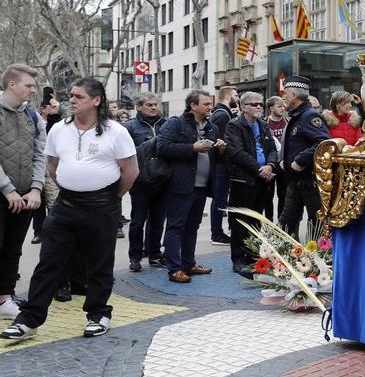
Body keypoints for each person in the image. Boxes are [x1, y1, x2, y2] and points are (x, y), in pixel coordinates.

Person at [1, 78, 138, 340]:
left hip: (101, 206)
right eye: (71, 96)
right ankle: (29, 319)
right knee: (49, 262)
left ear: (96, 101)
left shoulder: (116, 131)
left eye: (79, 96)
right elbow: (52, 165)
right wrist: (71, 183)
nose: (71, 100)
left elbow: (131, 171)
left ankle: (98, 314)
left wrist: (109, 197)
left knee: (99, 264)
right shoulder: (59, 129)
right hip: (65, 205)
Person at [157, 90, 221, 284]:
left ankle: (188, 263)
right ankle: (174, 269)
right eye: (206, 104)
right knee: (176, 226)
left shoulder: (211, 127)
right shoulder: (176, 123)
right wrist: (191, 148)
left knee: (193, 226)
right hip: (180, 185)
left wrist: (221, 148)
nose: (210, 107)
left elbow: (214, 157)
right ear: (193, 105)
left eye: (210, 104)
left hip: (201, 186)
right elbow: (162, 148)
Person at [0, 64, 46, 319]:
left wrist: (36, 188)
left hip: (25, 194)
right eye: (29, 85)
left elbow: (40, 153)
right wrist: (7, 190)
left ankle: (4, 297)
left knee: (13, 247)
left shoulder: (32, 115)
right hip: (5, 192)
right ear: (11, 85)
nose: (33, 89)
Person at [222, 92, 278, 276]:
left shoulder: (262, 124)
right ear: (244, 107)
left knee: (256, 220)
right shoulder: (234, 125)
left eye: (260, 104)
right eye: (254, 104)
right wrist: (259, 169)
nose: (258, 107)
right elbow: (237, 152)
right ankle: (238, 259)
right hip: (244, 180)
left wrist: (270, 166)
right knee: (240, 222)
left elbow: (271, 149)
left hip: (264, 179)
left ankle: (253, 256)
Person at [279, 77, 331, 239]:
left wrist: (299, 160)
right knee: (287, 222)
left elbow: (323, 142)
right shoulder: (298, 115)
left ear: (293, 94)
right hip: (296, 181)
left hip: (310, 182)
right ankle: (285, 259)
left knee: (317, 225)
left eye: (285, 94)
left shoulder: (309, 116)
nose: (284, 97)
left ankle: (318, 260)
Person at [124, 93, 165, 272]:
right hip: (140, 182)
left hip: (162, 180)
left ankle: (155, 254)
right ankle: (135, 257)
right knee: (138, 221)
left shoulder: (165, 124)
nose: (154, 107)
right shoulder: (130, 127)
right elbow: (125, 153)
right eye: (149, 105)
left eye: (155, 104)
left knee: (157, 221)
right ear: (139, 107)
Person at [208, 86, 238, 246]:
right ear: (228, 96)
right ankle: (217, 234)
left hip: (221, 163)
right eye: (236, 95)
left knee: (220, 199)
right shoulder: (222, 115)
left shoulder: (223, 113)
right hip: (221, 164)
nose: (238, 98)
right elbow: (218, 140)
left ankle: (218, 232)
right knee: (219, 199)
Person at [31, 91, 61, 244]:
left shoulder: (56, 121)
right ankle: (39, 231)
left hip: (51, 166)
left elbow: (55, 138)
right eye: (47, 107)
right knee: (38, 201)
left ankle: (52, 230)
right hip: (36, 166)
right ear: (43, 108)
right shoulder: (33, 118)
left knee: (53, 200)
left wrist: (55, 116)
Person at [265, 96, 289, 221]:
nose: (283, 108)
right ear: (271, 108)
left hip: (284, 163)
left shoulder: (288, 122)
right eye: (279, 106)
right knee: (268, 196)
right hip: (271, 163)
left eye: (283, 106)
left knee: (283, 195)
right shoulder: (264, 123)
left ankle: (281, 223)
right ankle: (269, 223)